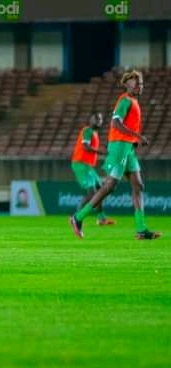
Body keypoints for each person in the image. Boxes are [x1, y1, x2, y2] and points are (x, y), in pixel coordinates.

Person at [69, 70, 160, 240]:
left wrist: (134, 140)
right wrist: (138, 136)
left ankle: (141, 229)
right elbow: (115, 123)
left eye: (141, 84)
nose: (139, 86)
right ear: (127, 85)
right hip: (119, 146)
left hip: (128, 148)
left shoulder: (134, 101)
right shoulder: (125, 100)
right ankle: (78, 217)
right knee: (110, 185)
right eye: (136, 84)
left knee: (138, 185)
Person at [70, 112, 115, 226]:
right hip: (80, 164)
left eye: (100, 119)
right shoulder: (87, 131)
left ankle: (101, 219)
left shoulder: (94, 133)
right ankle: (75, 217)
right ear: (90, 120)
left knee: (100, 190)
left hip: (88, 166)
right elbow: (85, 147)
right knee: (92, 193)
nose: (99, 121)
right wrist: (101, 151)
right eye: (96, 118)